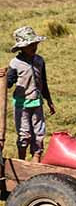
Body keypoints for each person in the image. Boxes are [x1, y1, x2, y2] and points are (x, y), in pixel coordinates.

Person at [2, 26, 56, 162]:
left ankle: (36, 160)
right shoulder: (15, 64)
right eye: (30, 45)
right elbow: (8, 84)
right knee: (24, 134)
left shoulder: (39, 61)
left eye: (35, 44)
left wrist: (49, 100)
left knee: (39, 134)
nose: (34, 47)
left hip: (37, 103)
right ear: (22, 47)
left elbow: (43, 82)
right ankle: (22, 161)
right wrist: (2, 77)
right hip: (22, 104)